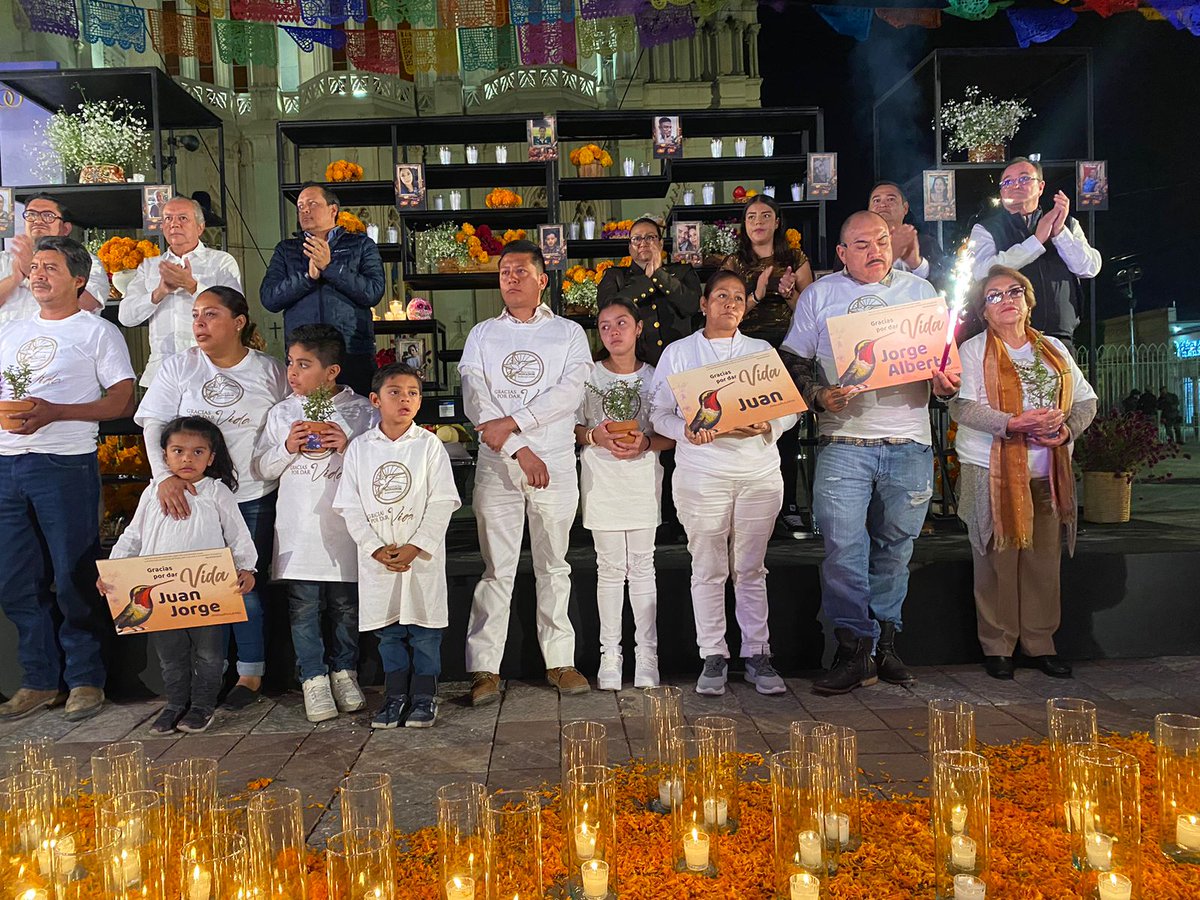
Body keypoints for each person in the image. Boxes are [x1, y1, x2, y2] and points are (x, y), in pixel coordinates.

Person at [782, 211, 960, 695]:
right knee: (843, 549)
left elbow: (946, 368)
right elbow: (792, 361)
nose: (874, 250)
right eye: (860, 244)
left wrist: (946, 385)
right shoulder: (819, 295)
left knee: (896, 549)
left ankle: (885, 645)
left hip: (910, 442)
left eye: (881, 240)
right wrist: (818, 395)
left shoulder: (920, 293)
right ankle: (853, 649)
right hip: (844, 442)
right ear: (841, 253)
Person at [0, 236, 136, 721]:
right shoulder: (11, 329)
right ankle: (39, 680)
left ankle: (85, 679)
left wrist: (56, 411)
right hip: (7, 464)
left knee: (73, 576)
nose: (38, 274)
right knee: (16, 579)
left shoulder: (97, 332)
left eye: (51, 267)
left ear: (79, 279)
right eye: (35, 266)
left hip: (64, 464)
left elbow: (123, 399)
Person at [135, 286, 288, 710]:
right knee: (199, 590)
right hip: (190, 497)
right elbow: (153, 424)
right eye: (196, 315)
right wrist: (164, 478)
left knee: (243, 586)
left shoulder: (269, 370)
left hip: (252, 495)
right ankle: (207, 678)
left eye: (211, 315)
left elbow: (287, 422)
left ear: (238, 322)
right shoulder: (179, 366)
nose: (199, 323)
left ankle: (250, 674)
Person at [649, 270, 799, 697]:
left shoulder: (760, 351)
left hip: (757, 474)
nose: (730, 303)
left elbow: (789, 409)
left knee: (750, 567)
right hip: (702, 475)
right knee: (708, 567)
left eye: (737, 297)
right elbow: (659, 414)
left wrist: (769, 424)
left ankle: (757, 653)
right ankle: (713, 653)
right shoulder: (679, 353)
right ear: (704, 304)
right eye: (721, 296)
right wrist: (685, 432)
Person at [458, 240, 593, 705]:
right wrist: (518, 448)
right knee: (497, 568)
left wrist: (516, 423)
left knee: (554, 564)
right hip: (499, 465)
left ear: (542, 279)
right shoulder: (483, 335)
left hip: (553, 462)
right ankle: (484, 668)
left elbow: (569, 393)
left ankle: (560, 661)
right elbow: (476, 398)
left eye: (520, 271)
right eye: (505, 272)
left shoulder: (568, 333)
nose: (511, 278)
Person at [949, 266, 1097, 680]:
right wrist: (1013, 424)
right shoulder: (972, 351)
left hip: (1047, 472)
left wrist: (1066, 430)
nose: (1007, 300)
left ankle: (1040, 643)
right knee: (995, 562)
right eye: (994, 296)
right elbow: (961, 406)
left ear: (1029, 300)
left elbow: (1086, 401)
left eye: (1014, 291)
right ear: (983, 311)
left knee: (1042, 561)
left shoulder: (1054, 349)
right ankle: (998, 646)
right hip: (989, 470)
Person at [103, 417, 258, 733]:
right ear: (164, 455)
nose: (188, 458)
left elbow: (238, 534)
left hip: (207, 590)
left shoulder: (216, 492)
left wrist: (247, 567)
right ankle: (174, 704)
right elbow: (133, 535)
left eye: (198, 451)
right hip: (160, 595)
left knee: (209, 654)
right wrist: (113, 568)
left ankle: (202, 706)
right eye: (178, 451)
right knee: (170, 655)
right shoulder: (151, 493)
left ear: (211, 458)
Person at [255, 324, 374, 723]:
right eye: (290, 362)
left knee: (345, 606)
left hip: (345, 529)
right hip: (300, 530)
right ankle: (313, 678)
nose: (292, 372)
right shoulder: (282, 413)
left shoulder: (362, 411)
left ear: (332, 371)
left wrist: (349, 446)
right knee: (304, 608)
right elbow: (262, 468)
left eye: (304, 365)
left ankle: (345, 672)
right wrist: (288, 446)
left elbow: (379, 465)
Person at [335, 363, 461, 728]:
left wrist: (416, 546)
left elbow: (442, 502)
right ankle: (394, 696)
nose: (405, 399)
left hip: (418, 559)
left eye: (412, 393)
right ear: (376, 400)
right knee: (388, 633)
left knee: (424, 633)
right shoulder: (360, 449)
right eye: (395, 392)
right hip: (379, 558)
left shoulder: (429, 446)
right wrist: (375, 548)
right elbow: (350, 506)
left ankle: (424, 695)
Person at [577, 299, 673, 690]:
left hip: (641, 480)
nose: (613, 332)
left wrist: (646, 443)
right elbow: (571, 426)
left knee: (643, 567)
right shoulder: (587, 375)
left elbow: (672, 432)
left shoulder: (656, 376)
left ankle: (647, 655)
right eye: (605, 326)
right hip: (602, 480)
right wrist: (593, 436)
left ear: (638, 328)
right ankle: (610, 656)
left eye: (621, 323)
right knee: (610, 569)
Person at [721, 194, 814, 537]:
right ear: (744, 225)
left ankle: (788, 506)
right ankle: (747, 509)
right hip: (746, 354)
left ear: (777, 222)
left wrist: (790, 294)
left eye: (765, 216)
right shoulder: (735, 262)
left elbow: (811, 311)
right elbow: (723, 311)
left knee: (785, 432)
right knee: (747, 429)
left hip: (787, 350)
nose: (758, 222)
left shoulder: (795, 258)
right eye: (751, 217)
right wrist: (758, 293)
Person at [261, 184, 385, 396]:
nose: (305, 210)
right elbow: (270, 298)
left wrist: (330, 267)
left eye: (312, 204)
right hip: (303, 356)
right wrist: (307, 278)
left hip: (351, 352)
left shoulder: (361, 245)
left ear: (333, 209)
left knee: (356, 413)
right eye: (300, 206)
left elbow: (373, 292)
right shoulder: (286, 250)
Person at [970, 157, 1102, 354]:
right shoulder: (986, 229)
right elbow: (982, 271)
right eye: (1007, 181)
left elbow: (1089, 267)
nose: (1015, 185)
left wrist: (1059, 233)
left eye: (1024, 179)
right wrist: (1035, 242)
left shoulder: (1066, 223)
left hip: (1060, 337)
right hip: (1009, 338)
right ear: (1001, 191)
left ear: (1040, 187)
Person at [119, 197, 243, 387]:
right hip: (160, 373)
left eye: (183, 218)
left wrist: (192, 286)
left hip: (209, 370)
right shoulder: (150, 266)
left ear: (200, 227)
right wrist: (159, 292)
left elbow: (235, 310)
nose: (174, 224)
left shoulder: (221, 262)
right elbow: (126, 317)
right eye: (168, 218)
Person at [596, 216, 701, 365]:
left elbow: (692, 305)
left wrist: (660, 275)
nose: (643, 243)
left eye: (650, 237)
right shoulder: (615, 276)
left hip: (679, 362)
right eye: (636, 239)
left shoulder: (682, 271)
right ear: (629, 247)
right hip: (634, 366)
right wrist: (648, 279)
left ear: (661, 243)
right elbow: (607, 309)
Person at [0, 194, 109, 323]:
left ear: (65, 229)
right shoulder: (4, 260)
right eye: (31, 215)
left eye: (48, 216)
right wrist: (15, 278)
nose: (38, 220)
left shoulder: (84, 260)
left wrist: (31, 271)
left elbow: (87, 305)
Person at [867, 181, 949, 289]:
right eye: (877, 201)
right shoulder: (857, 246)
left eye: (890, 199)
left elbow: (945, 285)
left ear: (905, 208)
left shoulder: (926, 244)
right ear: (869, 210)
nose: (883, 205)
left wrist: (917, 264)